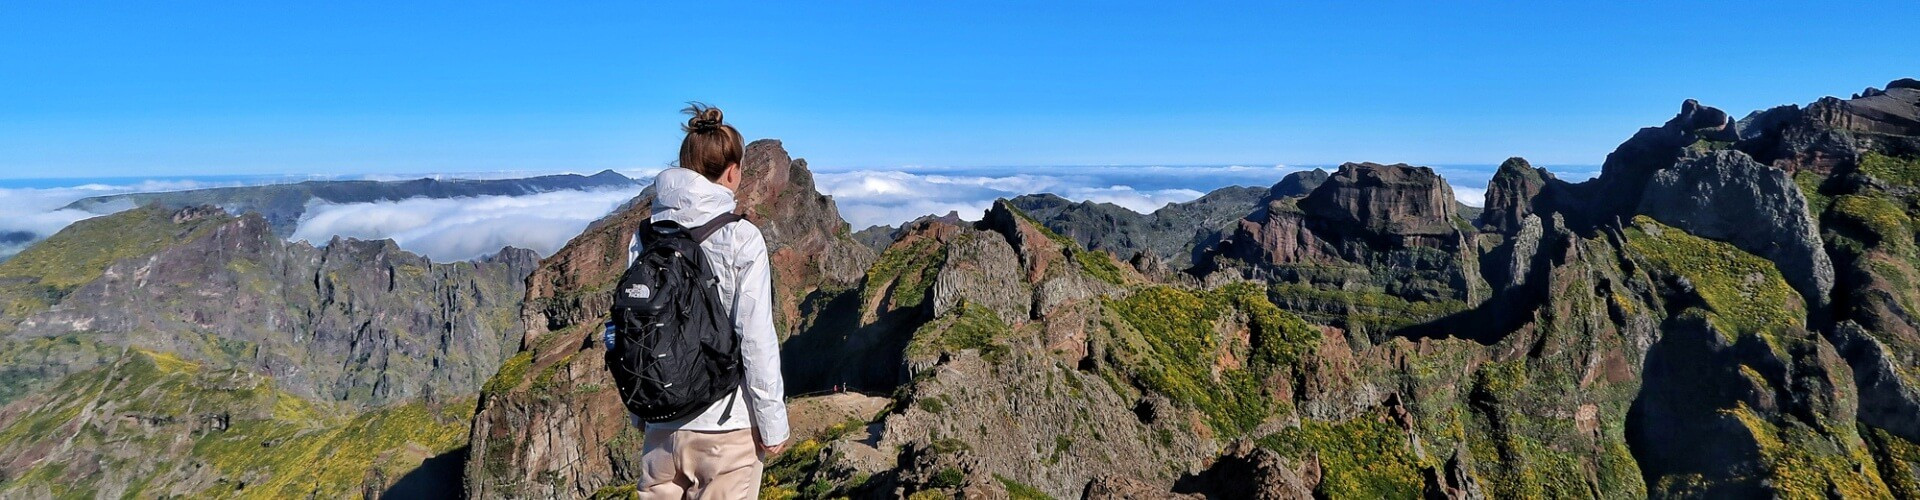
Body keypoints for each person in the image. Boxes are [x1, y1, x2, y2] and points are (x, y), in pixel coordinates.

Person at [615, 103, 789, 499]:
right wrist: (773, 425)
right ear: (732, 172)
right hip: (725, 433)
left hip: (661, 428)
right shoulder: (741, 238)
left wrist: (641, 413)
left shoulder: (645, 236)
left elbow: (630, 327)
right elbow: (756, 337)